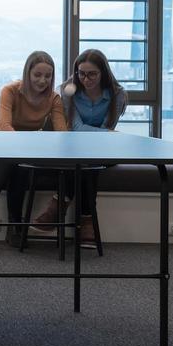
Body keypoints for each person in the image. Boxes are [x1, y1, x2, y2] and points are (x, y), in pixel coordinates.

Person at [0, 50, 68, 246]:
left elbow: (62, 133)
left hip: (29, 147)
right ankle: (15, 226)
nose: (43, 80)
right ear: (27, 73)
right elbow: (5, 126)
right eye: (37, 75)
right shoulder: (10, 90)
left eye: (48, 76)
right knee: (16, 160)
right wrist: (23, 147)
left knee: (19, 167)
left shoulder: (54, 98)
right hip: (2, 143)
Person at [41, 49, 130, 244]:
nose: (86, 79)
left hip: (103, 151)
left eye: (92, 74)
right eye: (81, 73)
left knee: (88, 161)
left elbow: (107, 130)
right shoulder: (67, 90)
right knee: (85, 164)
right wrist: (107, 135)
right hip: (76, 148)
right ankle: (86, 221)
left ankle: (58, 205)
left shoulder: (118, 94)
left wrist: (106, 135)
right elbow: (76, 128)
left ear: (103, 73)